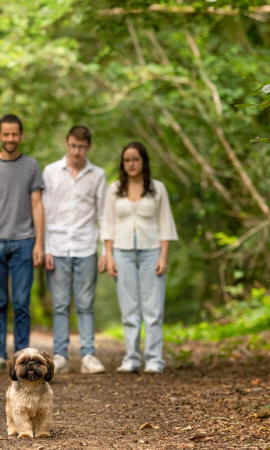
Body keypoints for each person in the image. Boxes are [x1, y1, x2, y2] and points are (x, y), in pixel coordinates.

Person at [0, 114, 45, 376]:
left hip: (24, 242)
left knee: (22, 302)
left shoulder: (31, 166)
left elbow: (37, 204)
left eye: (15, 134)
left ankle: (24, 359)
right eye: (6, 134)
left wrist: (39, 242)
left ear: (21, 135)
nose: (11, 138)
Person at [102, 141, 178, 374]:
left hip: (151, 251)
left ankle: (154, 359)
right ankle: (132, 357)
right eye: (127, 160)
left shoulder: (158, 189)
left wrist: (163, 256)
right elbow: (108, 223)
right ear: (122, 163)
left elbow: (165, 223)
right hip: (122, 252)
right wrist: (109, 255)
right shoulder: (115, 189)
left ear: (143, 161)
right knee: (129, 308)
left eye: (135, 159)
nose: (131, 164)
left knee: (153, 309)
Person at [42, 125, 107, 374]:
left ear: (88, 147)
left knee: (85, 304)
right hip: (56, 247)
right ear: (66, 144)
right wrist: (45, 247)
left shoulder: (97, 175)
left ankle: (89, 355)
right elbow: (44, 212)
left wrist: (105, 250)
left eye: (81, 146)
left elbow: (103, 214)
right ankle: (60, 355)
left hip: (86, 246)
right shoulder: (50, 172)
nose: (76, 151)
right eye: (72, 145)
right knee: (59, 304)